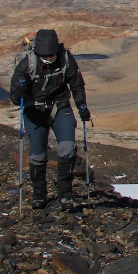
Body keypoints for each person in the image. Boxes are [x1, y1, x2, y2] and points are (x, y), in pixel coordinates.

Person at [9, 29, 91, 210]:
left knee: (67, 148)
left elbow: (77, 85)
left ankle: (66, 194)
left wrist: (82, 107)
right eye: (45, 56)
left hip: (60, 107)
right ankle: (39, 195)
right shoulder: (27, 64)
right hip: (34, 111)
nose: (49, 58)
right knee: (38, 154)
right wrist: (20, 90)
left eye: (52, 55)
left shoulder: (66, 59)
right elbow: (15, 97)